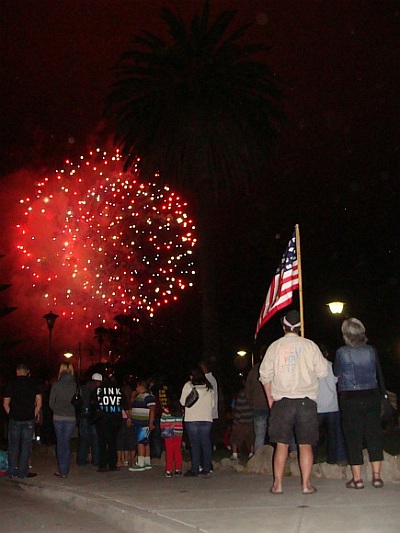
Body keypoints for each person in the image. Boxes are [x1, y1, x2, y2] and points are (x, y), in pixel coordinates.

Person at [259, 310, 328, 494]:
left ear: (284, 326)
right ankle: (306, 485)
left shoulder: (275, 347)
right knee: (305, 444)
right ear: (300, 327)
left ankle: (278, 484)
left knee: (281, 444)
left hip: (282, 402)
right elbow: (323, 372)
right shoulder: (310, 346)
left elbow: (264, 375)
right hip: (306, 401)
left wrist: (270, 399)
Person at [334, 317, 384, 489]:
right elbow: (378, 373)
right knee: (374, 435)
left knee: (353, 437)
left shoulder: (342, 352)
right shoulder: (371, 351)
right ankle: (377, 477)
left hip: (350, 398)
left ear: (346, 335)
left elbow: (336, 372)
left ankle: (358, 479)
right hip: (371, 396)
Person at [3, 362, 42, 478]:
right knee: (26, 446)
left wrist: (12, 414)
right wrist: (33, 414)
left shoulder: (11, 384)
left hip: (15, 419)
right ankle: (23, 472)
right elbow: (39, 402)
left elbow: (5, 403)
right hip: (28, 419)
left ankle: (11, 471)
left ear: (17, 372)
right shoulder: (33, 384)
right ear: (27, 372)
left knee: (13, 445)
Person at [314, 345, 347, 464]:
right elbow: (336, 380)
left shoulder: (313, 368)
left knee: (314, 436)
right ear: (326, 354)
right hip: (332, 405)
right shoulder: (332, 366)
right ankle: (335, 458)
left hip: (317, 406)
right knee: (334, 435)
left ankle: (313, 459)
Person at [180, 366, 214, 477]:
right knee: (206, 443)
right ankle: (207, 468)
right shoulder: (209, 388)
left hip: (192, 419)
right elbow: (212, 405)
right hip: (206, 418)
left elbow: (182, 402)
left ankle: (195, 469)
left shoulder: (188, 386)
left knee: (195, 444)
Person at [91, 371, 124, 472]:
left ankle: (103, 465)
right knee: (113, 442)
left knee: (102, 442)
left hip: (102, 419)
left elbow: (93, 405)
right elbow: (124, 404)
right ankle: (112, 465)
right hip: (115, 418)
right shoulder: (118, 390)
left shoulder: (97, 391)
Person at [49, 362, 77, 478]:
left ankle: (62, 470)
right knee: (66, 442)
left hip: (58, 416)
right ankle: (66, 469)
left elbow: (51, 402)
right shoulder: (75, 384)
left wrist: (57, 409)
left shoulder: (56, 384)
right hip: (71, 416)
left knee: (60, 443)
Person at [245, 351, 269, 453]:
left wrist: (252, 402)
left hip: (258, 406)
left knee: (259, 434)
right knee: (278, 435)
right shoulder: (273, 368)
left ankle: (258, 457)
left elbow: (248, 390)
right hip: (271, 405)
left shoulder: (253, 371)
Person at [129, 379, 156, 471]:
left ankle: (140, 463)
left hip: (144, 424)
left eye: (137, 386)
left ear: (141, 386)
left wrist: (151, 423)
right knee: (145, 442)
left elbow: (152, 410)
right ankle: (146, 461)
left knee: (140, 442)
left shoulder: (148, 397)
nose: (136, 388)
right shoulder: (139, 396)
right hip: (139, 423)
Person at [76, 373, 101, 467]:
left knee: (83, 439)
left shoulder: (83, 388)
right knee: (96, 439)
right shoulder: (98, 390)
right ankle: (96, 461)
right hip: (94, 416)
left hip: (83, 415)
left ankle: (81, 461)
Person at [160, 392, 184, 477]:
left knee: (169, 451)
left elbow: (162, 422)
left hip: (168, 432)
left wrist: (163, 429)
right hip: (178, 432)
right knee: (177, 450)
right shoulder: (181, 411)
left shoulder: (166, 411)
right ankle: (178, 469)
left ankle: (169, 470)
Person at [230, 377, 254, 460]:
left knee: (235, 439)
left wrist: (235, 422)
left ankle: (235, 454)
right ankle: (251, 453)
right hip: (250, 420)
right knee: (250, 439)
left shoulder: (241, 394)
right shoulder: (253, 394)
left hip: (241, 422)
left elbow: (238, 410)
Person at [199, 360, 219, 450]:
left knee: (207, 437)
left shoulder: (210, 380)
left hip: (209, 414)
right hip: (209, 414)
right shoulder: (210, 380)